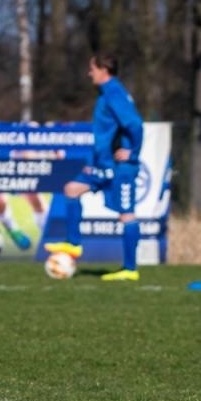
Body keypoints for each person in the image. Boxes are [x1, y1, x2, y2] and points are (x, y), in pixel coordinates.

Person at [44, 53, 144, 281]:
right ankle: (74, 243)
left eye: (92, 69)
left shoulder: (115, 94)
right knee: (71, 189)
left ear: (103, 70)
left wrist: (133, 152)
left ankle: (129, 269)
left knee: (126, 216)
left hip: (121, 168)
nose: (89, 73)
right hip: (103, 164)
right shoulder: (106, 94)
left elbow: (135, 125)